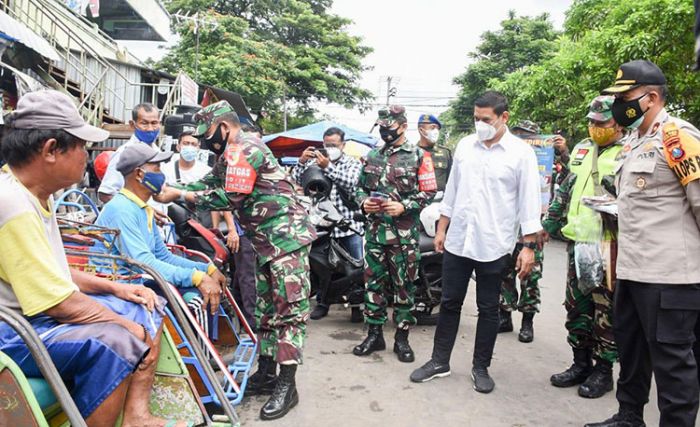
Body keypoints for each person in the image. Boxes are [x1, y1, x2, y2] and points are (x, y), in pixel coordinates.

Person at [0, 90, 182, 427]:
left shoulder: (35, 194)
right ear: (51, 150)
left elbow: (53, 272)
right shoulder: (12, 204)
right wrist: (124, 326)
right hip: (12, 332)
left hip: (33, 318)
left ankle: (136, 416)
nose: (87, 156)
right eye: (82, 146)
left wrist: (117, 289)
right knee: (118, 341)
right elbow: (57, 303)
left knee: (145, 305)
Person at [156, 100, 316, 420]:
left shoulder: (245, 147)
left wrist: (181, 195)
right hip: (264, 242)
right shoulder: (227, 154)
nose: (203, 142)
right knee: (266, 310)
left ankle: (288, 384)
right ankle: (268, 372)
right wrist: (174, 187)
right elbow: (211, 183)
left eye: (207, 135)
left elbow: (230, 197)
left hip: (286, 240)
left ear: (224, 128)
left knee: (288, 311)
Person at [585, 60, 700, 427]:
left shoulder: (677, 137)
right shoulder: (634, 141)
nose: (619, 105)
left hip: (671, 276)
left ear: (651, 98)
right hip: (632, 270)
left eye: (625, 97)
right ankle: (629, 416)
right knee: (631, 350)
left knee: (672, 365)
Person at [410, 91, 542, 394]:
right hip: (459, 240)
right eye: (476, 118)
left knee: (488, 308)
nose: (480, 124)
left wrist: (528, 246)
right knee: (449, 302)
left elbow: (529, 203)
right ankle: (439, 361)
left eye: (486, 119)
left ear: (503, 117)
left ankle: (480, 367)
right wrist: (442, 228)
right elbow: (452, 191)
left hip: (494, 243)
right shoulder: (466, 146)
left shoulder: (521, 153)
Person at [544, 96, 623, 400]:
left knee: (606, 311)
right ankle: (580, 363)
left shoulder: (627, 153)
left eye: (601, 123)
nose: (595, 127)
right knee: (577, 306)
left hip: (608, 245)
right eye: (592, 122)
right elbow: (565, 190)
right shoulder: (581, 149)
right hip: (578, 243)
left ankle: (603, 371)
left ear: (617, 123)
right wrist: (547, 226)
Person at [93, 143, 227, 315]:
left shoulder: (142, 208)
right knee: (195, 301)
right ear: (140, 174)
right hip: (123, 286)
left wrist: (206, 269)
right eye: (156, 169)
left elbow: (163, 256)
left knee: (210, 287)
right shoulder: (122, 210)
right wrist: (195, 277)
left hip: (141, 280)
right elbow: (144, 263)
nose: (161, 175)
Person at [352, 105, 437, 363]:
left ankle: (402, 339)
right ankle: (374, 335)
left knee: (404, 287)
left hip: (403, 236)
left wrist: (405, 205)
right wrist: (363, 202)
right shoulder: (372, 156)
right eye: (381, 127)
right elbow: (359, 189)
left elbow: (429, 191)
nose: (385, 131)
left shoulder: (420, 156)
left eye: (389, 127)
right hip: (375, 233)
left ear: (402, 126)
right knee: (373, 285)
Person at [293, 126, 364, 320]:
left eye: (333, 145)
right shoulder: (316, 163)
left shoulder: (352, 163)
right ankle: (323, 303)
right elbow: (297, 180)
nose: (329, 148)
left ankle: (357, 306)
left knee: (355, 270)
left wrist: (328, 168)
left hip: (349, 226)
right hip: (323, 225)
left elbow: (351, 183)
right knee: (322, 268)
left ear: (343, 145)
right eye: (326, 145)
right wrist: (301, 162)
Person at [498, 120, 547, 343]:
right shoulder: (507, 156)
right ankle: (504, 315)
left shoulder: (547, 159)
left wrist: (563, 153)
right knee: (505, 275)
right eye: (518, 134)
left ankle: (527, 323)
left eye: (526, 135)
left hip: (534, 228)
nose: (522, 138)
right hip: (508, 227)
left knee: (530, 277)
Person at [98, 102, 161, 203]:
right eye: (144, 123)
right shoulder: (124, 154)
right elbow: (106, 194)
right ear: (132, 124)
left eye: (154, 123)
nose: (150, 128)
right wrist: (137, 209)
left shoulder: (158, 152)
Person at [417, 114, 452, 193]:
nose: (436, 132)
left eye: (437, 129)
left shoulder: (445, 153)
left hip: (439, 202)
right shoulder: (411, 153)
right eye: (432, 128)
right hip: (417, 202)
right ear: (421, 130)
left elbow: (451, 181)